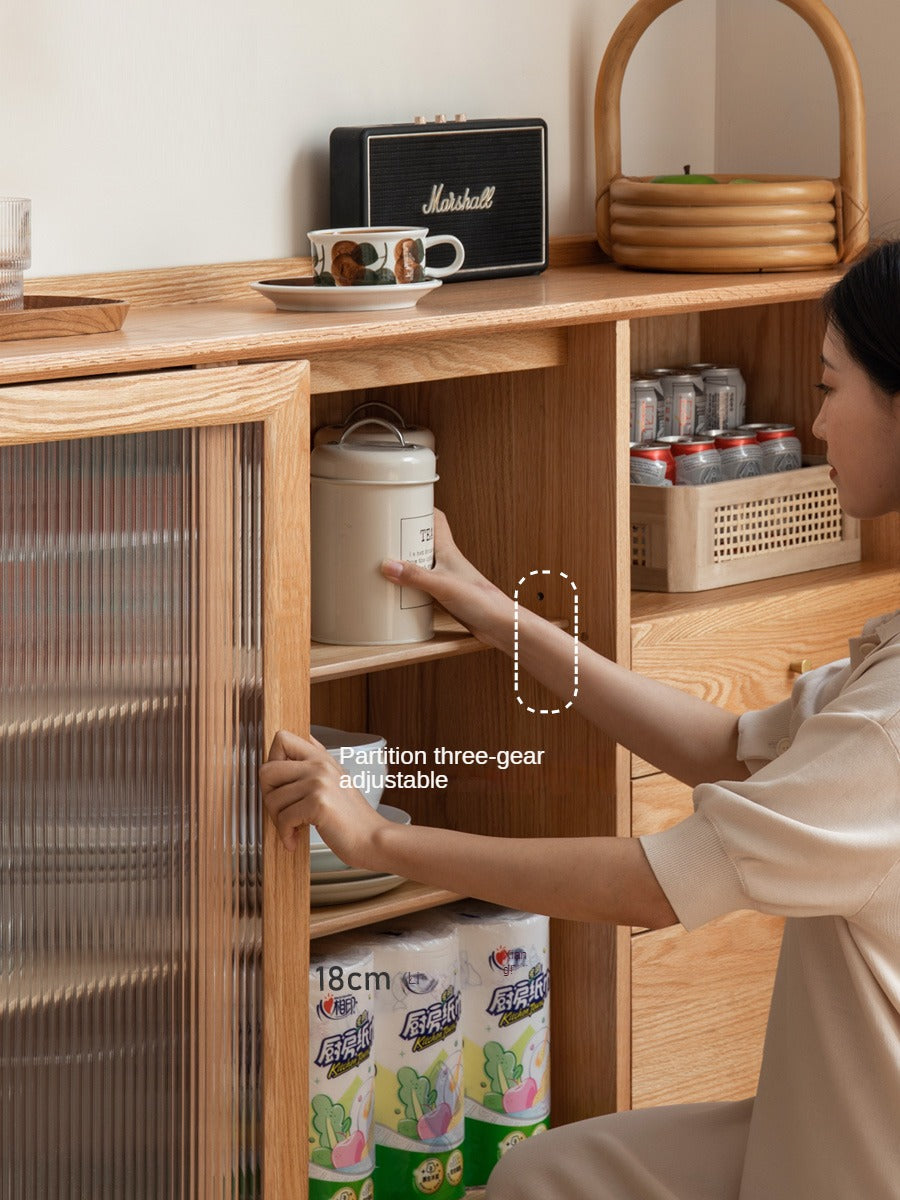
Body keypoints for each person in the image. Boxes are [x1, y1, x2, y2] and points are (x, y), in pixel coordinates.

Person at [260, 239, 900, 1200]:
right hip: (829, 1118)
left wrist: (381, 838)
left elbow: (656, 884)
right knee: (544, 1173)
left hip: (861, 1160)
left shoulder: (890, 730)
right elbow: (731, 752)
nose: (813, 422)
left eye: (829, 386)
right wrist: (495, 612)